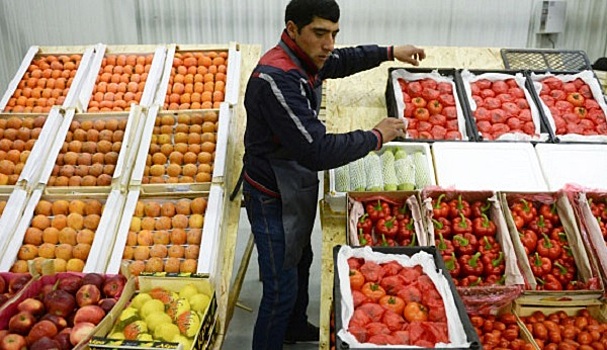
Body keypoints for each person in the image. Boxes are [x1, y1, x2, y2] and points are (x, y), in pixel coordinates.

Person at [240, 0, 425, 348]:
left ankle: (294, 328)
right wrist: (376, 136)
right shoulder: (277, 79)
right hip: (273, 194)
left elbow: (344, 60)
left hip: (292, 181)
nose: (329, 44)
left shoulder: (306, 56)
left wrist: (389, 51)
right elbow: (316, 150)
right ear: (293, 29)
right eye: (320, 33)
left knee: (300, 260)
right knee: (279, 290)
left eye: (334, 34)